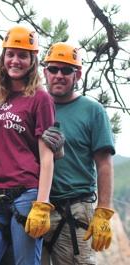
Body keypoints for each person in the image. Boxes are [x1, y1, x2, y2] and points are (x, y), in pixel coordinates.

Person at [0, 25, 55, 265]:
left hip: (26, 195)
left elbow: (47, 156)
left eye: (22, 55)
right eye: (10, 54)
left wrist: (42, 203)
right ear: (3, 57)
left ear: (32, 60)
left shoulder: (40, 99)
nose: (15, 60)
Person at [41, 42, 115, 265]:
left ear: (78, 75)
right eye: (53, 69)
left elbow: (104, 164)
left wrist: (103, 211)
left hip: (76, 208)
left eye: (67, 70)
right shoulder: (36, 106)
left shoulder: (92, 111)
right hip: (38, 207)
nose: (59, 75)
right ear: (45, 72)